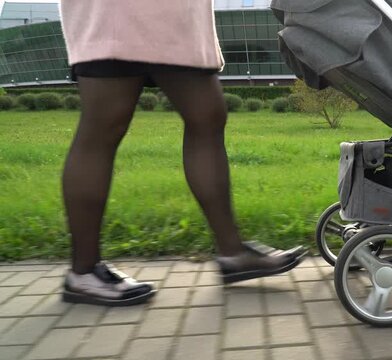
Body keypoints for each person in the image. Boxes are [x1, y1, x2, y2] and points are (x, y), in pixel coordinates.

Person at [60, 0, 305, 307]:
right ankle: (83, 272)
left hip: (176, 14)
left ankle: (233, 252)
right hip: (115, 11)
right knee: (104, 124)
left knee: (207, 115)